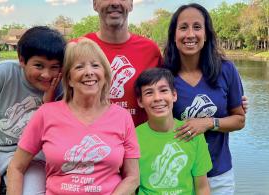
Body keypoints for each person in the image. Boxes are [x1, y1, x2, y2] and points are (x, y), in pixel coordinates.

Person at [7, 38, 140, 195]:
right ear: (69, 79)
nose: (89, 72)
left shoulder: (122, 117)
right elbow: (16, 167)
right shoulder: (46, 114)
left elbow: (133, 177)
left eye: (95, 65)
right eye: (79, 67)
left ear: (104, 75)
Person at [0, 26, 66, 195]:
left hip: (34, 154)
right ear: (22, 60)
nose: (47, 74)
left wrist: (48, 103)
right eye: (39, 65)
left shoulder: (61, 86)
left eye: (54, 67)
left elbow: (56, 133)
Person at [162, 3, 245, 195]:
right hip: (176, 177)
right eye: (183, 27)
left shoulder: (226, 70)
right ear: (174, 36)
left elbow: (239, 119)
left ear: (206, 34)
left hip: (218, 176)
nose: (190, 34)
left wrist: (208, 123)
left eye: (197, 27)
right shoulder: (164, 76)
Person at [134, 68, 212, 195]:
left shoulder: (193, 133)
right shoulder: (133, 137)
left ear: (174, 95)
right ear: (140, 101)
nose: (157, 98)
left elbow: (202, 188)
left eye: (164, 90)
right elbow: (132, 186)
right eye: (149, 93)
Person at [85, 0, 163, 126]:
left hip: (140, 141)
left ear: (131, 4)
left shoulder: (150, 50)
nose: (115, 3)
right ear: (94, 4)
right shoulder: (78, 48)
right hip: (94, 141)